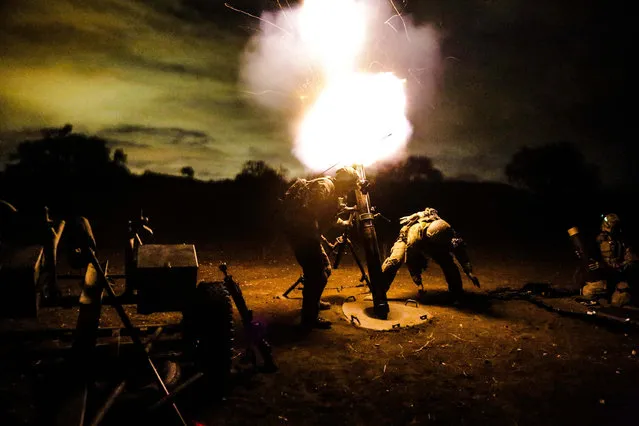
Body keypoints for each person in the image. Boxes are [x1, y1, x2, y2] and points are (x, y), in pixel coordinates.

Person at [281, 166, 360, 329]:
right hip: (302, 235)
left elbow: (327, 217)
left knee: (325, 269)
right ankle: (309, 318)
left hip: (309, 235)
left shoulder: (334, 193)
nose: (350, 190)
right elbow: (309, 210)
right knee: (317, 275)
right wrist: (313, 231)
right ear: (345, 182)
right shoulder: (325, 186)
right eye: (350, 186)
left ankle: (314, 302)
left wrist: (343, 221)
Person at [381, 207, 480, 300]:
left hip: (433, 244)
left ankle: (456, 292)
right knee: (395, 261)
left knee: (449, 264)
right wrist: (418, 282)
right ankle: (379, 291)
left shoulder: (446, 232)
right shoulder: (415, 235)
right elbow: (412, 260)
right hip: (406, 240)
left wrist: (469, 272)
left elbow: (459, 251)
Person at [595, 213, 638, 306]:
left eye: (611, 230)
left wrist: (605, 266)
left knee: (617, 301)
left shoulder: (624, 243)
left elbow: (628, 264)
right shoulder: (601, 241)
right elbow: (593, 259)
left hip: (619, 278)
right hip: (607, 278)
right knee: (587, 291)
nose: (607, 233)